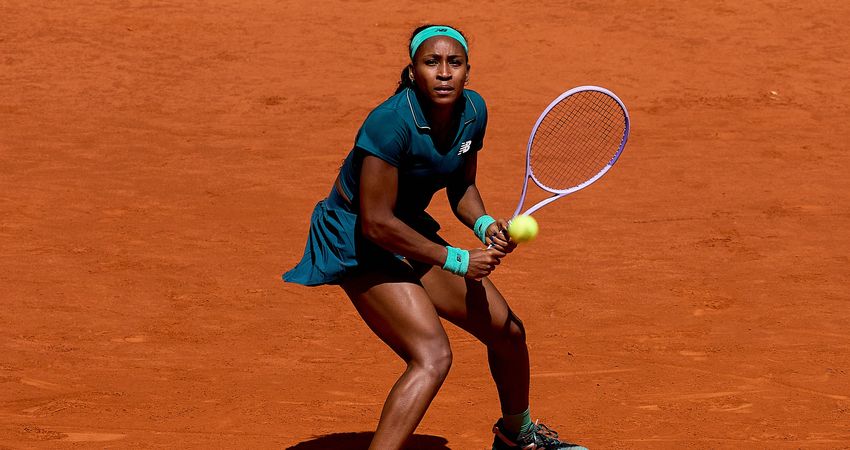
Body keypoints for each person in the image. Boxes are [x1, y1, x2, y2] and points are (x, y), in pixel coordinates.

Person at [284, 24, 587, 450]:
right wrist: (459, 260)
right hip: (356, 237)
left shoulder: (473, 112)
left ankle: (517, 434)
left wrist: (484, 225)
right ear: (413, 72)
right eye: (432, 62)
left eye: (454, 63)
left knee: (508, 333)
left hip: (406, 228)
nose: (444, 72)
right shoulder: (389, 124)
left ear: (467, 72)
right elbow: (376, 224)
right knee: (432, 357)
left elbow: (461, 188)